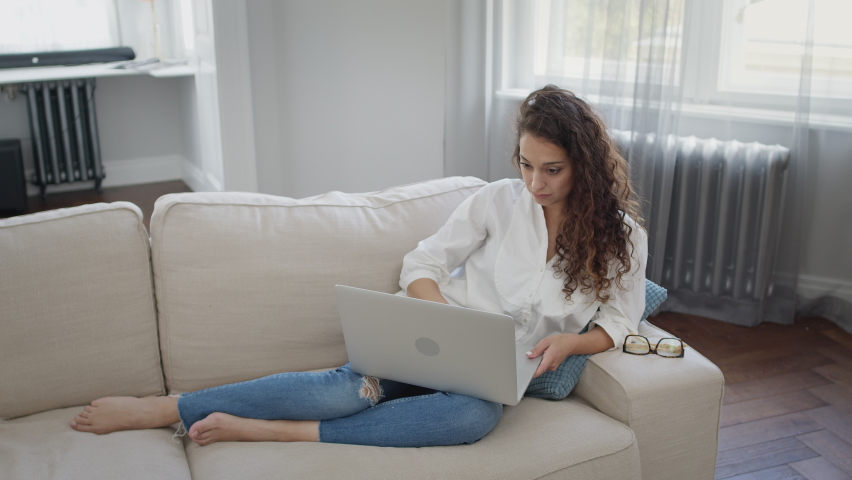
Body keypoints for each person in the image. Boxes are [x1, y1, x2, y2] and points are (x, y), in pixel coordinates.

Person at [69, 85, 647, 448]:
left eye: (552, 169)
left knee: (471, 420)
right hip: (435, 338)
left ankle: (279, 432)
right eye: (526, 164)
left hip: (496, 377)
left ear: (586, 166)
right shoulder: (497, 201)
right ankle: (168, 407)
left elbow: (620, 320)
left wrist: (571, 346)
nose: (534, 183)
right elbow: (422, 262)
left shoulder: (622, 240)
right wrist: (441, 314)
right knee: (342, 391)